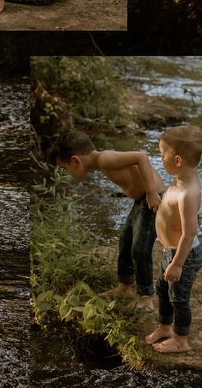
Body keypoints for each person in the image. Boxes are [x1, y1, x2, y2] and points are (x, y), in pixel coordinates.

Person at [51, 129, 166, 310]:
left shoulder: (105, 159)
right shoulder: (101, 162)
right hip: (141, 200)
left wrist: (152, 192)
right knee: (125, 240)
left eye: (65, 169)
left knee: (140, 248)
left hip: (152, 199)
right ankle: (125, 285)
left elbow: (141, 156)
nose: (67, 173)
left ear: (75, 160)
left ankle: (146, 296)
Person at [145, 125, 202, 353]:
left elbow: (189, 232)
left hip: (184, 255)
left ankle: (181, 339)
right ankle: (164, 326)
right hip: (171, 251)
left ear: (178, 160)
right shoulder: (179, 181)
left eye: (162, 155)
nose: (161, 159)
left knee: (179, 297)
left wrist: (178, 263)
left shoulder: (188, 193)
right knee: (162, 289)